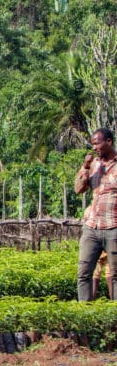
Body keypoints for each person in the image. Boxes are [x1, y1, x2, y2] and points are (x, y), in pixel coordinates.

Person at [74, 128, 117, 302]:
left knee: (115, 274)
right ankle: (85, 317)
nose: (95, 147)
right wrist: (85, 167)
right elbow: (78, 188)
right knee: (83, 273)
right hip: (92, 227)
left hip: (113, 226)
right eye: (93, 144)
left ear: (109, 141)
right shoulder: (93, 165)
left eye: (97, 143)